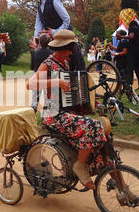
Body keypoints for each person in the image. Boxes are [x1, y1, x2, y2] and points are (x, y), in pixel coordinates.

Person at [27, 30, 107, 190]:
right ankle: (80, 166)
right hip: (53, 114)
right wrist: (56, 82)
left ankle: (94, 166)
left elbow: (71, 90)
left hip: (67, 112)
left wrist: (90, 99)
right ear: (62, 48)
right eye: (71, 48)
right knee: (93, 126)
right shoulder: (48, 63)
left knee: (102, 132)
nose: (72, 52)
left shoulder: (65, 63)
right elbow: (30, 84)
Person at [23, 0, 85, 70]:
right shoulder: (39, 6)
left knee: (76, 65)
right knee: (58, 66)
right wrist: (36, 38)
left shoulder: (54, 1)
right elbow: (38, 24)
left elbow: (67, 20)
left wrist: (55, 32)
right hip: (55, 43)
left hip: (67, 40)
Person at [30, 33, 54, 112]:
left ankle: (33, 112)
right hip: (48, 76)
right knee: (48, 97)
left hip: (37, 76)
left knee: (35, 98)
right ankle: (48, 115)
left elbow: (32, 66)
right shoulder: (52, 53)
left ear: (39, 43)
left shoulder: (35, 52)